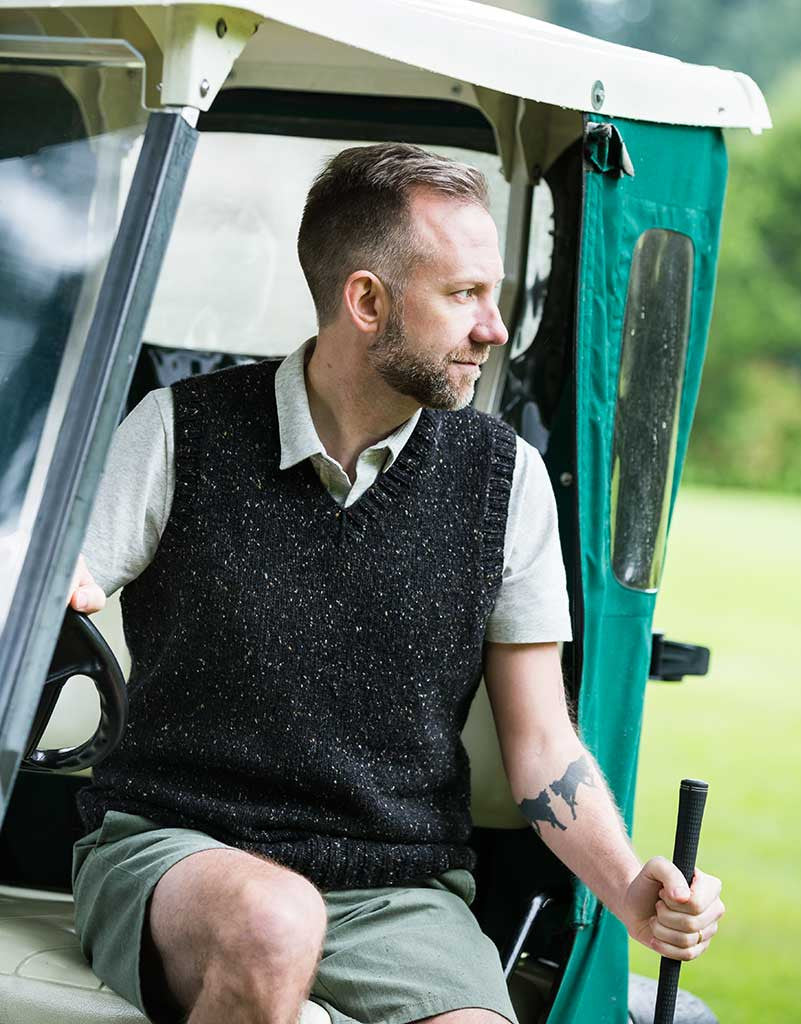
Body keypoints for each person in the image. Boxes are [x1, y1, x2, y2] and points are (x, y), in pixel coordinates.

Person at [67, 144, 724, 1024]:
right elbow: (52, 587)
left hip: (395, 888)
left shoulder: (507, 480)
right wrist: (47, 584)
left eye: (497, 296)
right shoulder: (178, 434)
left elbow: (540, 746)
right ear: (367, 301)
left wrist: (627, 885)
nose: (492, 329)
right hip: (174, 850)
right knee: (273, 920)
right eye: (463, 296)